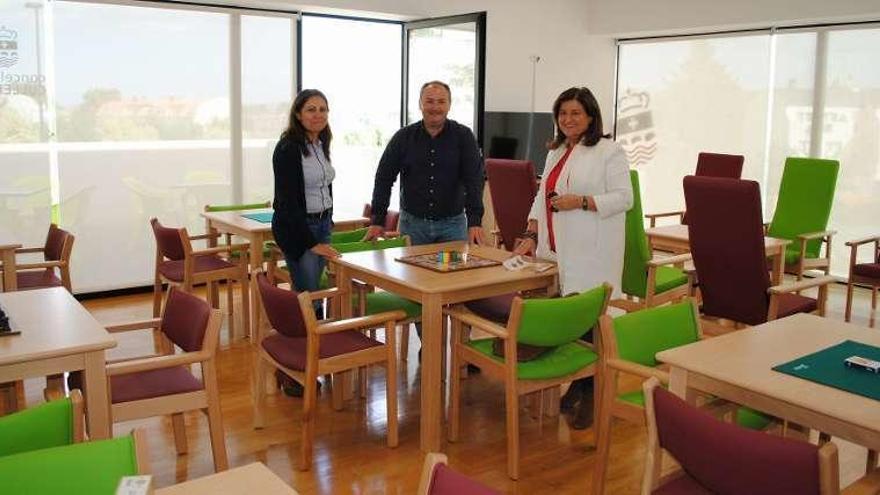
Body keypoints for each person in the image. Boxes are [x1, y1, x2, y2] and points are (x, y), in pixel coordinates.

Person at [513, 86, 632, 429]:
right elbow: (541, 197)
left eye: (575, 113)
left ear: (591, 116)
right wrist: (530, 234)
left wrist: (582, 202)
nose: (568, 119)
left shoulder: (609, 151)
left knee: (591, 316)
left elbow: (625, 198)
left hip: (594, 249)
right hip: (560, 246)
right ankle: (578, 383)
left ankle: (591, 389)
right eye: (562, 113)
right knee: (573, 310)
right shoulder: (556, 150)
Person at [364, 81, 486, 359]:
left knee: (458, 289)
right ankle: (431, 345)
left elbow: (474, 179)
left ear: (449, 105)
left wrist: (475, 220)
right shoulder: (403, 138)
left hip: (452, 224)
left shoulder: (463, 137)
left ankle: (460, 350)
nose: (435, 107)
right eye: (429, 101)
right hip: (413, 226)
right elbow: (384, 177)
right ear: (420, 104)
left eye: (440, 101)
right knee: (418, 290)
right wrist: (377, 219)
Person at [271, 89, 340, 396]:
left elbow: (324, 186)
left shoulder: (321, 143)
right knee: (306, 298)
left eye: (323, 109)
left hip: (322, 223)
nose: (318, 114)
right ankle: (293, 370)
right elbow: (288, 203)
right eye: (311, 109)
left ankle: (313, 359)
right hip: (300, 230)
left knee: (314, 296)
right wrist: (311, 242)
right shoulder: (288, 148)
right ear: (298, 114)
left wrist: (328, 223)